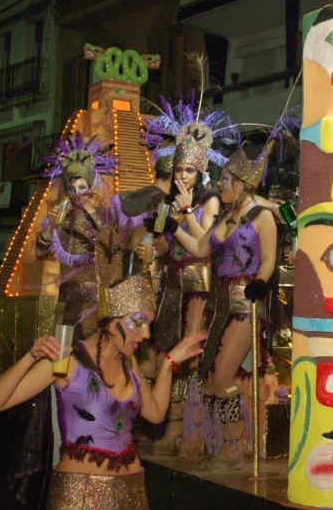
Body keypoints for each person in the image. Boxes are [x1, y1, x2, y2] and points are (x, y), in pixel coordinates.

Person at [0, 237, 206, 509]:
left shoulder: (129, 363)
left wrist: (170, 362)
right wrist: (31, 356)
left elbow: (156, 413)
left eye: (150, 326)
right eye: (138, 323)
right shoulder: (68, 360)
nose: (146, 334)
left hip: (132, 490)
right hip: (81, 493)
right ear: (112, 319)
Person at [148, 145, 277, 471]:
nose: (218, 185)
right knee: (210, 375)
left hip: (246, 301)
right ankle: (228, 445)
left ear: (240, 184)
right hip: (218, 302)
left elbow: (271, 259)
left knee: (222, 373)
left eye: (224, 179)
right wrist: (170, 226)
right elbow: (198, 246)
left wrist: (260, 281)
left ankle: (234, 446)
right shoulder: (224, 218)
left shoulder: (263, 217)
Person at [139, 120, 221, 458]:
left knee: (190, 360)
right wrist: (153, 236)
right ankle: (170, 428)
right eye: (178, 170)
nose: (182, 176)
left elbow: (202, 243)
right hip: (171, 286)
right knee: (166, 355)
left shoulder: (211, 200)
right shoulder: (166, 202)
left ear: (200, 170)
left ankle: (190, 433)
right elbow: (159, 248)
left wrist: (184, 212)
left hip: (198, 287)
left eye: (189, 170)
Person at [37, 132, 116, 341]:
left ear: (91, 188)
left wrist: (91, 213)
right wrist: (49, 227)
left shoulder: (104, 216)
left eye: (82, 188)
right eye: (72, 189)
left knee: (91, 353)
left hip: (94, 299)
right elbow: (40, 251)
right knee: (64, 355)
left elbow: (111, 248)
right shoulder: (60, 216)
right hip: (67, 298)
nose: (77, 193)